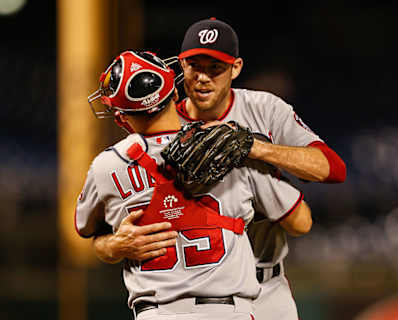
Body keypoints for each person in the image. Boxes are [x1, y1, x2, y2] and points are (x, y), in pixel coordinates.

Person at [76, 50, 313, 320]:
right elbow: (300, 223)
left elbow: (87, 233)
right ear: (175, 94)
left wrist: (115, 245)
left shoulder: (106, 166)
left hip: (156, 313)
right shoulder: (230, 147)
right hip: (229, 311)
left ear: (121, 118)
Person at [174, 18, 347, 320]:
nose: (203, 77)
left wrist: (255, 148)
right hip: (194, 292)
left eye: (215, 68)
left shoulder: (263, 109)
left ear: (236, 68)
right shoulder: (162, 125)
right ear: (181, 65)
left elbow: (332, 169)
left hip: (266, 287)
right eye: (195, 66)